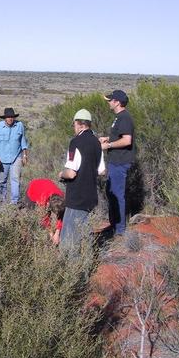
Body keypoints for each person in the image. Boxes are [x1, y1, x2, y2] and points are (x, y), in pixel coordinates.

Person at [58, 109, 105, 253]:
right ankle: (85, 269)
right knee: (85, 238)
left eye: (74, 124)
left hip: (76, 199)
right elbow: (102, 171)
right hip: (91, 198)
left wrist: (61, 173)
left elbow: (71, 173)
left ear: (79, 124)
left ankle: (72, 273)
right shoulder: (97, 143)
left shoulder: (76, 142)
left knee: (69, 241)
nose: (74, 127)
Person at [99, 89, 135, 236]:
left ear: (117, 102)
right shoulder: (119, 117)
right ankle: (114, 225)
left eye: (110, 100)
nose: (108, 102)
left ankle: (120, 230)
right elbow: (120, 135)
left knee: (117, 194)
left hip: (120, 162)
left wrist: (108, 145)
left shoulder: (124, 117)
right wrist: (108, 138)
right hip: (115, 161)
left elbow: (127, 140)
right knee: (111, 192)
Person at [0, 107, 29, 204]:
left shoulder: (19, 125)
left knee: (15, 180)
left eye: (12, 117)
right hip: (2, 159)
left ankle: (14, 203)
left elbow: (23, 141)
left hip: (16, 157)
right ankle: (1, 202)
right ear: (5, 118)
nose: (10, 119)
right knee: (2, 181)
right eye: (8, 117)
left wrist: (24, 155)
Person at [25, 178, 65, 245]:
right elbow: (45, 218)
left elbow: (61, 216)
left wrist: (57, 232)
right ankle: (29, 238)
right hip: (33, 188)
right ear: (48, 204)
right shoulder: (42, 200)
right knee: (31, 217)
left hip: (46, 186)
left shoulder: (62, 197)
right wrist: (51, 234)